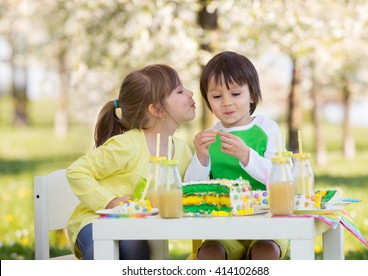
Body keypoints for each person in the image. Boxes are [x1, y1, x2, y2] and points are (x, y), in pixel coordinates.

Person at [66, 64, 196, 260]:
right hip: (96, 222)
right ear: (157, 109)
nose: (190, 92)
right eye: (179, 90)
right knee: (117, 247)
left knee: (134, 245)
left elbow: (188, 193)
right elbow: (77, 172)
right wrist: (110, 202)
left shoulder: (182, 150)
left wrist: (203, 158)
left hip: (136, 228)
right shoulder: (128, 145)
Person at [184, 51, 289, 260]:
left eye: (235, 94)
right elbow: (190, 190)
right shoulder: (210, 137)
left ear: (251, 95)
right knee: (209, 252)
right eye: (216, 96)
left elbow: (281, 178)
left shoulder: (266, 128)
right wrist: (201, 157)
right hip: (224, 230)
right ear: (208, 101)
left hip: (268, 226)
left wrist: (246, 155)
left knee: (265, 251)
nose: (226, 103)